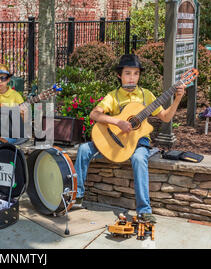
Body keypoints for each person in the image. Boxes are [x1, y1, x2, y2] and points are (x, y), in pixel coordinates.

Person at [73, 54, 187, 223]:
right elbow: (94, 114)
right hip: (114, 141)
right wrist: (118, 122)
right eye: (128, 73)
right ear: (119, 75)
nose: (132, 78)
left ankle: (144, 210)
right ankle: (77, 196)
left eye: (136, 73)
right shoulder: (113, 96)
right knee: (83, 149)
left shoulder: (146, 95)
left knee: (139, 158)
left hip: (139, 141)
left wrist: (177, 98)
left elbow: (165, 117)